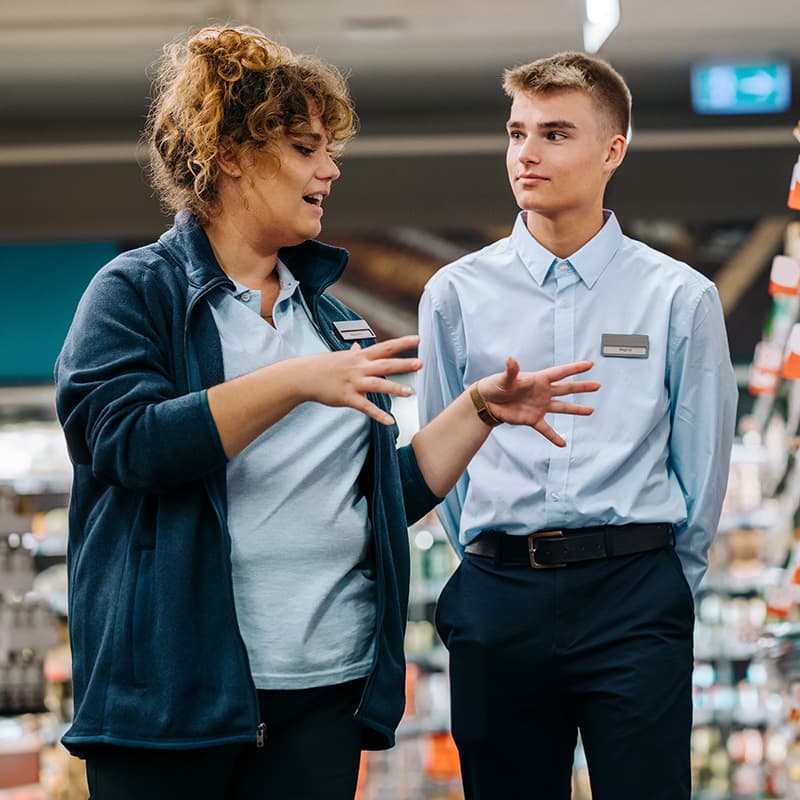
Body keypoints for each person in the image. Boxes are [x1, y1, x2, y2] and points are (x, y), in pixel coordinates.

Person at [54, 27, 600, 800]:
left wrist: (481, 409)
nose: (330, 168)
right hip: (174, 701)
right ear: (232, 154)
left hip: (323, 696)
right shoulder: (137, 293)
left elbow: (379, 500)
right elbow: (126, 443)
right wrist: (292, 381)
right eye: (307, 148)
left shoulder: (334, 323)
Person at [418, 51, 737, 800]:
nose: (525, 153)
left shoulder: (677, 298)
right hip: (499, 597)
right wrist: (492, 555)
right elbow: (440, 458)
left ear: (612, 151)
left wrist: (662, 586)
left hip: (635, 597)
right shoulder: (454, 295)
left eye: (555, 133)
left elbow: (703, 467)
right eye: (516, 131)